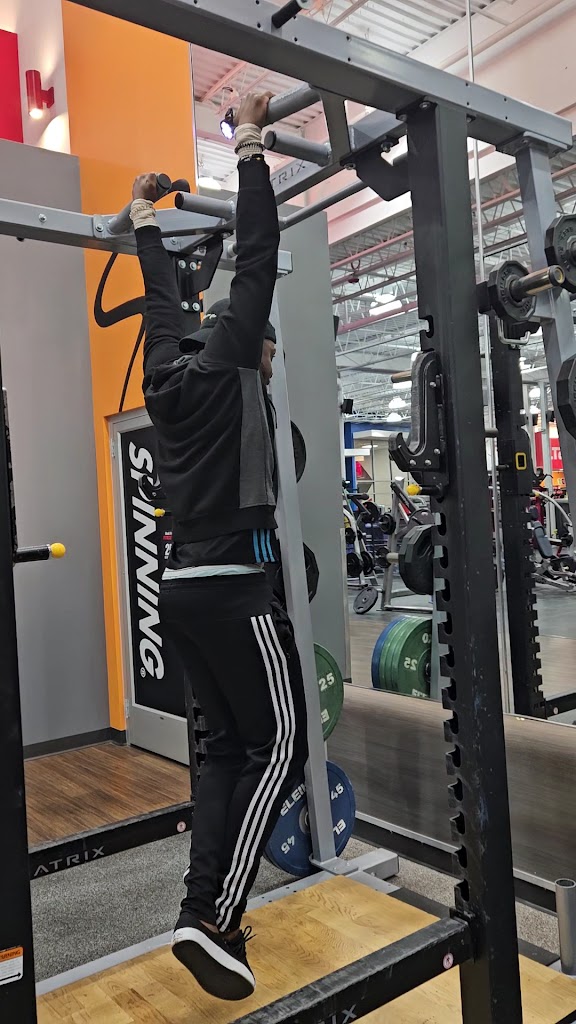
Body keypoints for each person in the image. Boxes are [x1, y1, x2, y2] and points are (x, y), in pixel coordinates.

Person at [130, 91, 308, 1003]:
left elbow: (160, 303)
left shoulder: (165, 371)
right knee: (284, 744)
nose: (270, 363)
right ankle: (214, 916)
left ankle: (200, 911)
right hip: (237, 588)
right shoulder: (236, 352)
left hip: (182, 590)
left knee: (226, 753)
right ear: (249, 343)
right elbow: (260, 256)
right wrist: (248, 142)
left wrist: (144, 221)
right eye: (268, 353)